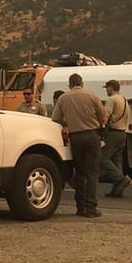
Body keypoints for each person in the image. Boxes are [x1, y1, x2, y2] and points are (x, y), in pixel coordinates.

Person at [51, 73, 107, 217]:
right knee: (92, 173)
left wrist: (69, 123)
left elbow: (55, 118)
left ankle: (80, 207)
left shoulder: (63, 98)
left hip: (75, 138)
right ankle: (91, 208)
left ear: (70, 85)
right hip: (92, 136)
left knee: (80, 172)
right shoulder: (92, 96)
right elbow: (103, 117)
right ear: (82, 83)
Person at [100, 80, 132, 197]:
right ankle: (117, 191)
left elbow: (105, 117)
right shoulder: (124, 100)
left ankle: (121, 179)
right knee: (117, 161)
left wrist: (100, 126)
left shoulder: (111, 100)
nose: (106, 90)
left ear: (111, 88)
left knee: (101, 158)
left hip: (113, 133)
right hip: (123, 134)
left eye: (107, 88)